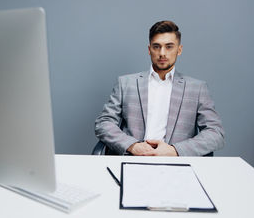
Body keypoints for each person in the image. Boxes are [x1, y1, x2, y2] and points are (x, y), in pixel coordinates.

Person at [95, 21, 225, 156]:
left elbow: (216, 133)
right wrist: (132, 146)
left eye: (169, 47)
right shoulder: (126, 83)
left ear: (179, 50)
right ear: (149, 49)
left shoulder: (197, 89)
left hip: (176, 163)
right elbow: (104, 123)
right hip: (132, 158)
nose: (162, 53)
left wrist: (175, 150)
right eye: (156, 46)